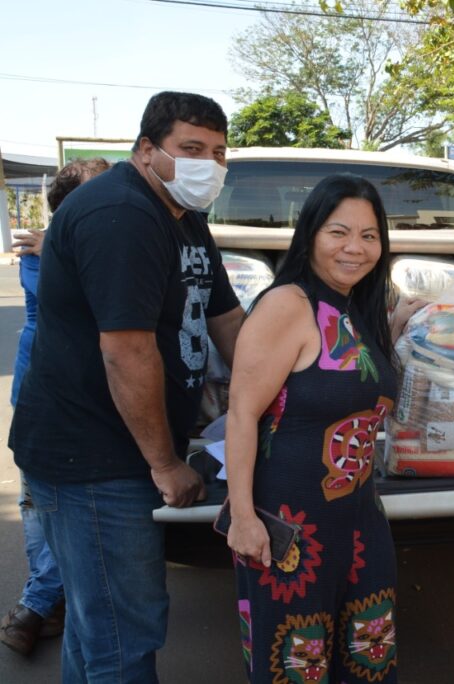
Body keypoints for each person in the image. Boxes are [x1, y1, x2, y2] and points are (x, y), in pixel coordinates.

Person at [8, 91, 245, 681]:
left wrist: (287, 393)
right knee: (122, 632)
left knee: (96, 632)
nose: (208, 165)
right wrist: (166, 464)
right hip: (93, 458)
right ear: (146, 151)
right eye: (191, 149)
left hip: (117, 451)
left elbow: (228, 321)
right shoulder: (122, 215)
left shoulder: (183, 217)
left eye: (219, 153)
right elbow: (126, 349)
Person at [225, 175, 399, 683]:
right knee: (295, 665)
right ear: (310, 235)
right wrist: (242, 518)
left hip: (360, 521)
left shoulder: (359, 306)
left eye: (369, 236)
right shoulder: (288, 305)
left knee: (366, 655)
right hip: (290, 527)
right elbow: (241, 413)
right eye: (338, 232)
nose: (355, 248)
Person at [1, 157, 110, 658]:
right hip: (41, 395)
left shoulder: (95, 245)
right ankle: (42, 602)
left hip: (91, 400)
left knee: (60, 509)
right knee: (40, 508)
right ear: (65, 207)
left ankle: (40, 604)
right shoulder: (42, 252)